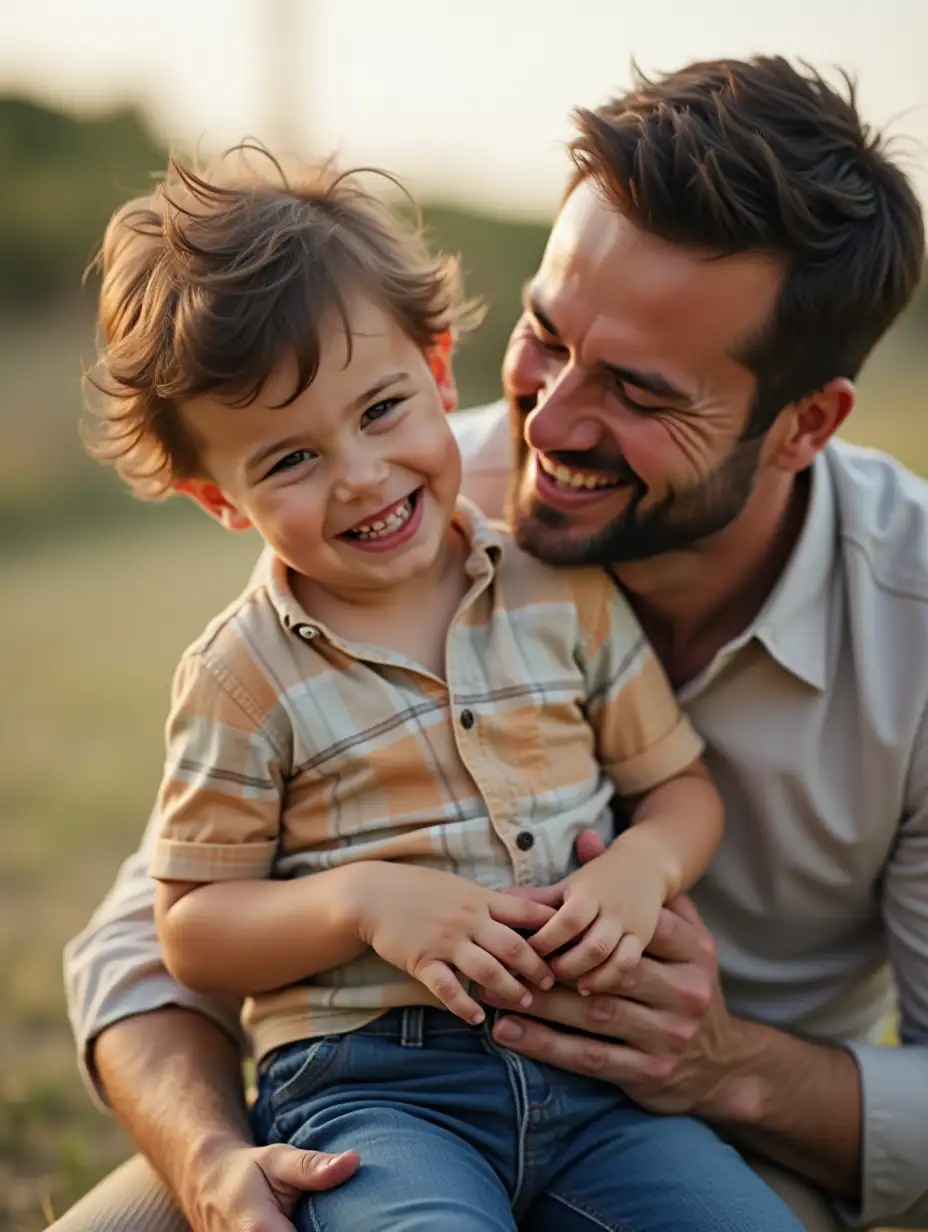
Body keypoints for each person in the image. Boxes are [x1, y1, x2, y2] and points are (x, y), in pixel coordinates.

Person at [57, 54, 928, 1232]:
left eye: (638, 389)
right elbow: (156, 934)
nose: (550, 423)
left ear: (803, 423)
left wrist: (730, 1066)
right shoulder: (400, 497)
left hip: (692, 1124)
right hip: (366, 1099)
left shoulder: (910, 625)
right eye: (544, 332)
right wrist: (211, 1156)